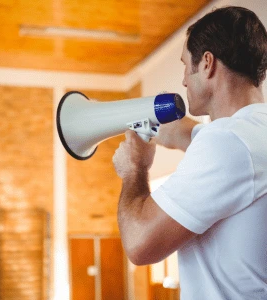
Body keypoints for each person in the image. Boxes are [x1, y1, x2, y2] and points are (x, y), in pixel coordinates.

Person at [112, 6, 267, 300]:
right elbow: (222, 149)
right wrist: (175, 130)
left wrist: (134, 168)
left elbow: (138, 243)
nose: (183, 80)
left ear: (207, 63)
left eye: (186, 65)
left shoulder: (226, 142)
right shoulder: (252, 132)